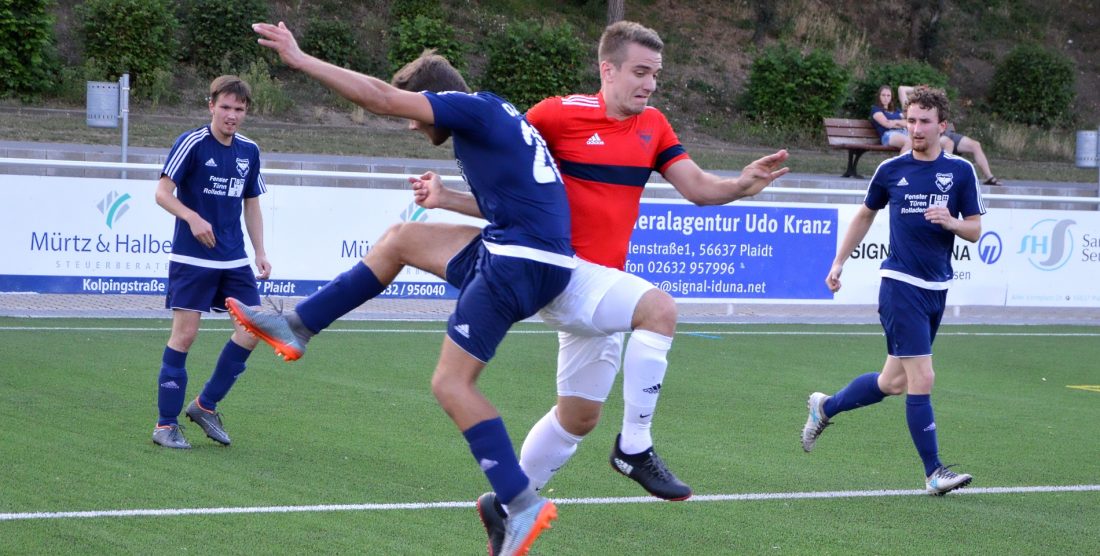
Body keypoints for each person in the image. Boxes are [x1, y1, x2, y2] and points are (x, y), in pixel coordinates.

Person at [410, 20, 787, 552]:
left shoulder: (653, 125)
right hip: (560, 276)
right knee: (659, 310)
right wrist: (450, 197)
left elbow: (699, 187)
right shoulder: (554, 115)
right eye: (640, 72)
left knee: (578, 417)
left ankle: (508, 503)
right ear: (606, 70)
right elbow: (512, 194)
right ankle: (634, 448)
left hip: (601, 288)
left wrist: (741, 186)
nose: (650, 84)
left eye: (655, 74)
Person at [230, 22, 572, 555]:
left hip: (517, 262)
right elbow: (511, 204)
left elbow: (383, 98)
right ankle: (297, 326)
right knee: (401, 239)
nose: (413, 126)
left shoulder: (468, 108)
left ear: (436, 98)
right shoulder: (495, 117)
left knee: (451, 385)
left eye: (419, 115)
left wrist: (302, 60)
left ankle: (520, 501)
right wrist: (448, 197)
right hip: (533, 253)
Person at [801, 86, 986, 495]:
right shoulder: (890, 171)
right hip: (900, 285)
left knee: (893, 383)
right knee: (923, 377)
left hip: (936, 288)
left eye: (924, 121)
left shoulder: (960, 172)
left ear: (943, 126)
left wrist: (952, 222)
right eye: (911, 121)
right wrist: (838, 262)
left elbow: (974, 229)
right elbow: (865, 215)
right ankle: (934, 472)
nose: (916, 128)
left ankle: (825, 407)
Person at [151, 75, 271, 449]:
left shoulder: (249, 151)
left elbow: (251, 203)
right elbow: (161, 192)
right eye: (225, 107)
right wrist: (191, 217)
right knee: (185, 336)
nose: (231, 115)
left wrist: (261, 252)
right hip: (192, 257)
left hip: (233, 258)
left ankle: (205, 405)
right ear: (211, 106)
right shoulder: (192, 142)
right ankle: (165, 425)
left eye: (239, 109)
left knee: (253, 330)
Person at [899, 85, 1002, 185]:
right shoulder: (912, 105)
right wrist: (918, 89)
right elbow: (901, 89)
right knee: (949, 143)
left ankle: (990, 177)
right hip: (938, 135)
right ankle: (944, 172)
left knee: (975, 145)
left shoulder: (936, 105)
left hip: (948, 131)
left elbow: (949, 125)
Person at [871, 85, 911, 152]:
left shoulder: (896, 110)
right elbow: (887, 124)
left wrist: (895, 122)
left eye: (888, 95)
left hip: (903, 132)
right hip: (888, 135)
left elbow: (908, 123)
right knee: (909, 142)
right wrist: (900, 120)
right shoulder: (876, 109)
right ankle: (900, 163)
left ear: (891, 97)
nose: (886, 98)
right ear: (879, 96)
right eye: (883, 95)